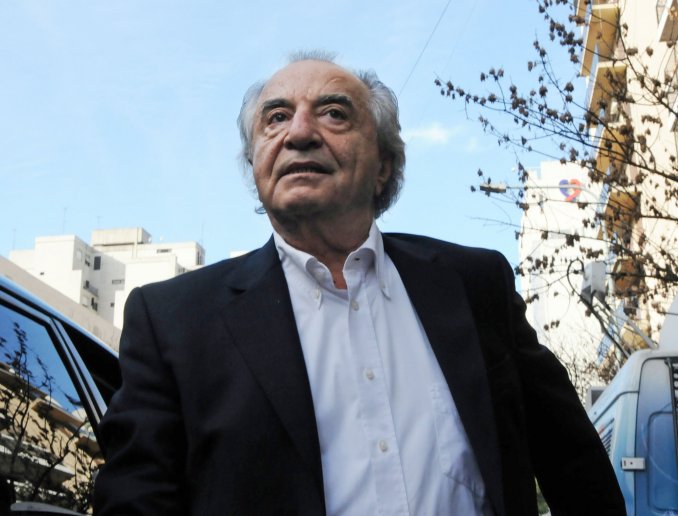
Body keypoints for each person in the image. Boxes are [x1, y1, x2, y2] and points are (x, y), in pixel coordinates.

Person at [93, 51, 625, 515]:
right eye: (276, 118)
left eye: (334, 113)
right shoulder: (173, 323)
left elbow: (574, 464)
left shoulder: (474, 286)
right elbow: (136, 500)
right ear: (256, 164)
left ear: (383, 166)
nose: (300, 133)